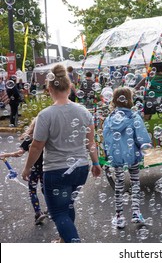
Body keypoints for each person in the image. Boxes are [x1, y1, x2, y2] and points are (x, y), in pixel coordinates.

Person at [21, 64, 102, 243]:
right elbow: (91, 142)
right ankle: (63, 240)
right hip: (80, 169)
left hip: (57, 171)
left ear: (49, 89)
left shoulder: (45, 115)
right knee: (68, 205)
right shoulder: (84, 112)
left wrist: (27, 168)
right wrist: (96, 163)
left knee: (58, 212)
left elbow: (36, 146)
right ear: (69, 87)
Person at [103, 86, 151, 228]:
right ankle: (136, 213)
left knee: (118, 185)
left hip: (116, 157)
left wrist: (108, 154)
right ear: (130, 100)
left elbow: (106, 139)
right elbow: (142, 137)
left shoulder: (109, 118)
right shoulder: (134, 116)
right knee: (135, 182)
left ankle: (119, 217)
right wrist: (145, 146)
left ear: (114, 100)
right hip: (133, 155)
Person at [0, 118, 47, 225]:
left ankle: (38, 213)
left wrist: (5, 155)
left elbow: (19, 153)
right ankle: (51, 209)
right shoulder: (47, 137)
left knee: (32, 190)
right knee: (46, 190)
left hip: (34, 169)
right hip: (47, 169)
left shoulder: (30, 139)